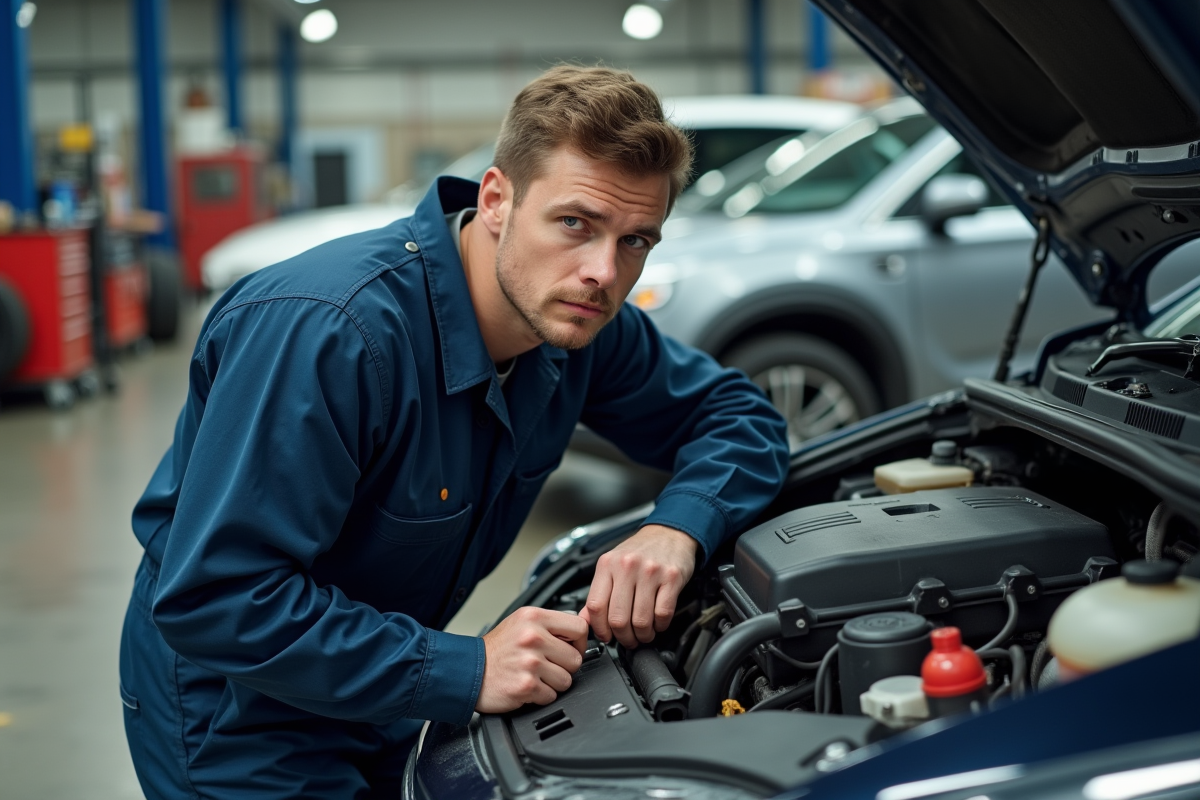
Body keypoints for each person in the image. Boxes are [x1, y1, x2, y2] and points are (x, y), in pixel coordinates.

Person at [119, 65, 789, 798]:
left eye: (636, 241)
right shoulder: (329, 336)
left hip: (382, 680)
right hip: (241, 713)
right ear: (497, 199)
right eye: (575, 224)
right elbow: (216, 597)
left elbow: (738, 414)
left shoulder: (580, 324)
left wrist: (679, 527)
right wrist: (465, 669)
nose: (603, 271)